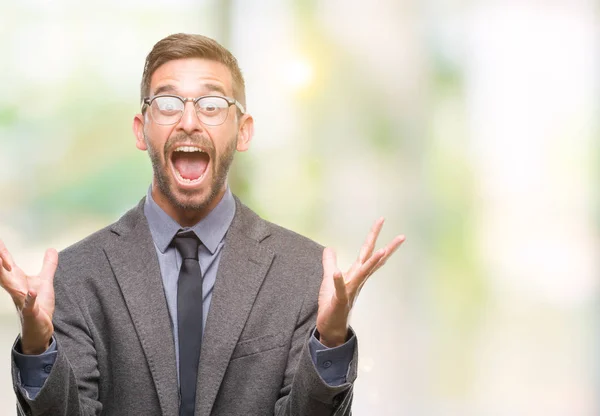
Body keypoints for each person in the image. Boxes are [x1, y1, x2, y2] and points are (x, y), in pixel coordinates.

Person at [0, 33, 404, 416]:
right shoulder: (76, 276)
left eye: (211, 104)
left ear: (242, 131)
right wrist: (38, 347)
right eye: (168, 104)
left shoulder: (304, 273)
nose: (189, 121)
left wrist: (330, 341)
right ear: (142, 131)